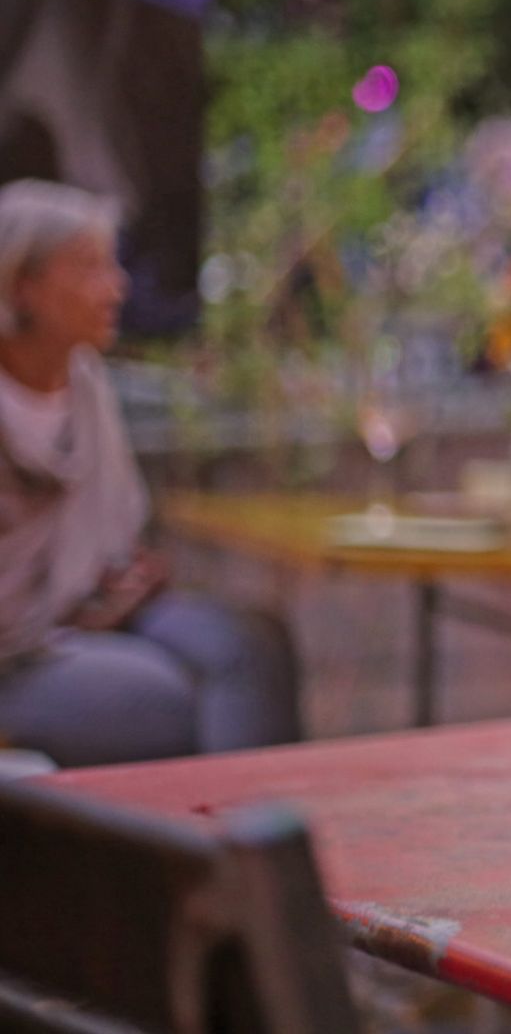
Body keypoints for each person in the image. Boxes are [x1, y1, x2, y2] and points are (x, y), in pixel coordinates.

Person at [0, 180, 300, 766]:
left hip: (93, 609)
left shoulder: (85, 385)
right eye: (88, 269)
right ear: (21, 284)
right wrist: (68, 603)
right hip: (16, 648)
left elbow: (108, 530)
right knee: (162, 702)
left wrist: (120, 580)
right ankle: (208, 846)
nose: (117, 289)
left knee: (255, 645)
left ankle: (250, 841)